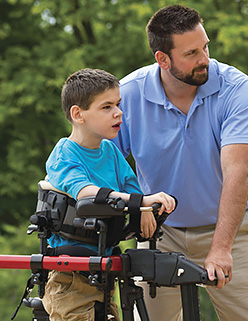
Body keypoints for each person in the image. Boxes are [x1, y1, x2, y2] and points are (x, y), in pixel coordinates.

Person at [113, 5, 248, 321]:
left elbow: (237, 170)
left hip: (233, 230)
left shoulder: (237, 88)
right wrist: (134, 209)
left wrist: (221, 248)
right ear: (163, 60)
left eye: (205, 47)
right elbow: (103, 163)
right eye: (191, 53)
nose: (204, 58)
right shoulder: (128, 94)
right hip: (159, 233)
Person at [42, 68, 176, 321]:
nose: (118, 112)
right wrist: (139, 203)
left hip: (104, 272)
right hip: (70, 277)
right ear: (78, 114)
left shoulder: (111, 152)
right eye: (106, 107)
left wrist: (144, 210)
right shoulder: (64, 154)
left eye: (118, 104)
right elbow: (85, 192)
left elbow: (131, 187)